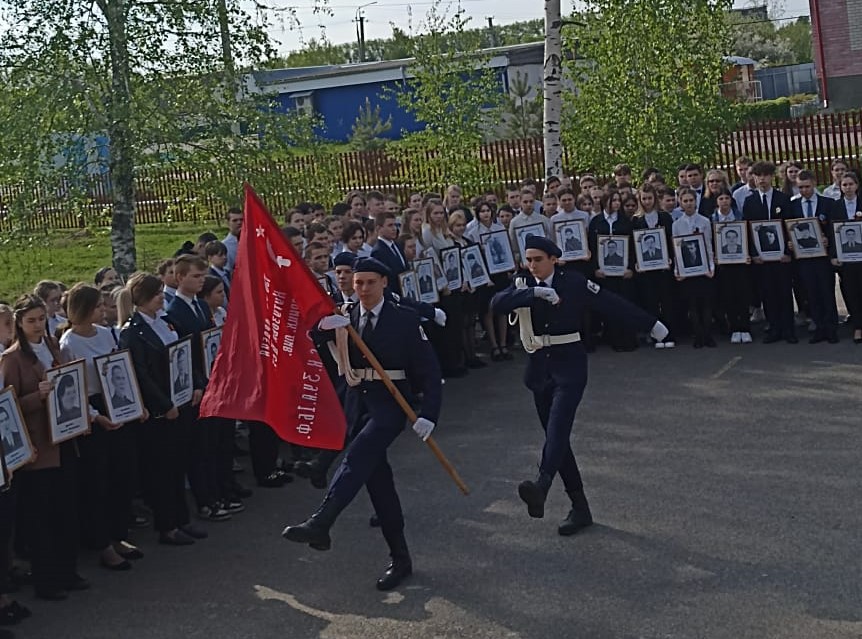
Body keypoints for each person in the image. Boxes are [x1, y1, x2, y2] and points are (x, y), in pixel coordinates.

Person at [283, 257, 443, 592]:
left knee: (357, 454)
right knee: (379, 485)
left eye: (370, 282)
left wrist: (429, 412)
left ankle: (321, 521)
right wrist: (323, 327)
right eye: (359, 283)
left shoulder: (404, 320)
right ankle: (400, 559)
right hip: (358, 405)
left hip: (390, 404)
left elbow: (428, 371)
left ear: (384, 282)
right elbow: (316, 338)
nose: (364, 289)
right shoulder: (346, 315)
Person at [491, 236, 666, 535]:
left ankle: (543, 483)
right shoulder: (523, 283)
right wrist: (534, 293)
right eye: (528, 259)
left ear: (553, 259)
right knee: (555, 438)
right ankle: (580, 506)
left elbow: (610, 303)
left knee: (558, 427)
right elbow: (496, 303)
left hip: (568, 365)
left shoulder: (572, 281)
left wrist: (650, 324)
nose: (532, 265)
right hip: (538, 369)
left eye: (538, 259)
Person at [1, 295, 86, 599]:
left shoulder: (52, 345)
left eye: (41, 319)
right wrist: (37, 395)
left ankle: (67, 571)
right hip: (39, 447)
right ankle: (46, 581)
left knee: (66, 511)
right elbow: (9, 407)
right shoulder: (12, 359)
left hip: (65, 438)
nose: (38, 325)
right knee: (42, 517)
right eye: (31, 321)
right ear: (19, 324)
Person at [59, 283, 144, 572]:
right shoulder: (69, 344)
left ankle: (119, 534)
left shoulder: (108, 334)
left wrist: (134, 402)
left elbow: (121, 369)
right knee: (98, 481)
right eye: (97, 306)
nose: (103, 311)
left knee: (124, 472)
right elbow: (73, 388)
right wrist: (96, 416)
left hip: (116, 403)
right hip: (93, 412)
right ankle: (102, 543)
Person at [118, 274, 207, 545]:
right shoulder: (133, 332)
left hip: (182, 401)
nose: (161, 297)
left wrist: (195, 384)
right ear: (142, 297)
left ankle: (181, 519)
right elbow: (141, 374)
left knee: (178, 464)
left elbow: (185, 354)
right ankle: (167, 526)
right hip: (160, 411)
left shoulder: (166, 322)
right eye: (156, 293)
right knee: (162, 470)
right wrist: (164, 404)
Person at [743, 161, 796, 344]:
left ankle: (788, 329)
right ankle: (774, 328)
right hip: (762, 259)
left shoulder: (783, 199)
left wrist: (789, 252)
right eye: (758, 176)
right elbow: (748, 231)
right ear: (754, 178)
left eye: (765, 175)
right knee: (768, 294)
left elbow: (790, 227)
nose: (762, 179)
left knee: (784, 293)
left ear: (771, 177)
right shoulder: (750, 202)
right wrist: (753, 253)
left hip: (781, 257)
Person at [791, 170, 838, 344]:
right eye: (800, 187)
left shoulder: (828, 203)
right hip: (804, 258)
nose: (804, 190)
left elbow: (833, 230)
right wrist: (791, 243)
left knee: (826, 292)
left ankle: (831, 328)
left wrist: (827, 240)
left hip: (823, 258)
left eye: (807, 186)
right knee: (811, 294)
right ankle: (819, 328)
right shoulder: (794, 205)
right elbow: (790, 229)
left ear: (814, 184)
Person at [673, 187, 716, 348]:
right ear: (681, 203)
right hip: (687, 270)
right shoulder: (677, 224)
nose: (689, 203)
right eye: (685, 201)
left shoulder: (704, 221)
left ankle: (708, 335)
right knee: (693, 305)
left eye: (691, 200)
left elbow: (708, 245)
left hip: (704, 268)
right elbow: (676, 248)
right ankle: (698, 336)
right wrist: (677, 270)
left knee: (706, 304)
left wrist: (711, 267)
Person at [712, 189, 752, 344]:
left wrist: (748, 253)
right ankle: (735, 328)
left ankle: (745, 328)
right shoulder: (712, 219)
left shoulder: (740, 217)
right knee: (729, 297)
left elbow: (748, 238)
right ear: (717, 202)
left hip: (741, 264)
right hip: (723, 266)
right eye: (721, 198)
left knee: (742, 296)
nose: (724, 201)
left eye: (726, 198)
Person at [223, 207, 243, 274]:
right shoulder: (224, 246)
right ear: (227, 223)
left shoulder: (253, 242)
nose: (239, 223)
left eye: (241, 220)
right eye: (235, 220)